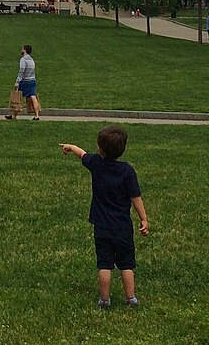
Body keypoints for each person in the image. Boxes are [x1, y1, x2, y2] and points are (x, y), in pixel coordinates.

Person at [59, 125, 149, 309]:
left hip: (101, 226)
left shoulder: (96, 164)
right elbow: (135, 197)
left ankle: (104, 299)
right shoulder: (127, 171)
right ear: (123, 149)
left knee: (104, 264)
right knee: (126, 264)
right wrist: (144, 218)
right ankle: (130, 298)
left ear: (100, 148)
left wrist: (70, 146)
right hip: (123, 226)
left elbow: (81, 154)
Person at [14, 44, 41, 120]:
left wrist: (17, 81)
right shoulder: (32, 60)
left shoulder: (23, 59)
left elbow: (21, 71)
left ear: (25, 50)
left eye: (22, 49)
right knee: (33, 96)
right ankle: (37, 115)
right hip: (32, 80)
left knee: (17, 97)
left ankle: (14, 115)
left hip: (25, 81)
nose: (21, 50)